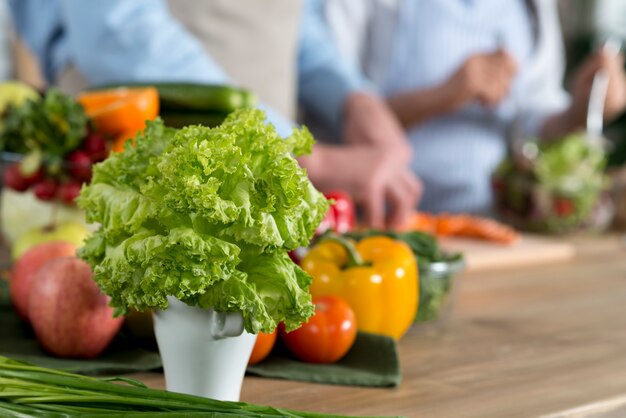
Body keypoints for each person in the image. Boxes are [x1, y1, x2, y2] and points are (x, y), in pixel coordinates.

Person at [6, 0, 421, 229]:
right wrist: (306, 156)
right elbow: (119, 33)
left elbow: (296, 21)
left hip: (272, 192)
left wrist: (352, 97)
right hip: (138, 182)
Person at [316, 0, 626, 215]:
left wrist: (581, 109)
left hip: (491, 221)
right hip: (379, 221)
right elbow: (332, 112)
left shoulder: (533, 7)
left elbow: (530, 121)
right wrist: (444, 95)